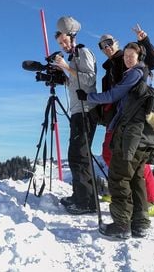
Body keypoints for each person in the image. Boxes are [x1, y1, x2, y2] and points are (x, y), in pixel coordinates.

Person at [77, 42, 154, 239]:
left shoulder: (134, 74)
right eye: (126, 56)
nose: (128, 59)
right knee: (136, 177)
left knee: (119, 176)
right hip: (144, 136)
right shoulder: (143, 75)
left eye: (131, 56)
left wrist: (89, 97)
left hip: (131, 133)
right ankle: (140, 223)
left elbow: (114, 95)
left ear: (138, 57)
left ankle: (122, 225)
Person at [97, 25, 154, 217]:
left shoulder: (127, 59)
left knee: (136, 160)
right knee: (109, 154)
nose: (106, 47)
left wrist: (145, 40)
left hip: (131, 118)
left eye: (109, 42)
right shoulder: (109, 68)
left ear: (116, 43)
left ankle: (153, 200)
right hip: (116, 118)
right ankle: (119, 190)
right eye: (102, 45)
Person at [52, 25, 99, 215]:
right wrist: (63, 75)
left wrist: (65, 67)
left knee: (80, 157)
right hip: (78, 111)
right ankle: (80, 196)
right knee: (76, 155)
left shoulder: (83, 52)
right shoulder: (73, 58)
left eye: (65, 41)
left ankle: (87, 202)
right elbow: (76, 82)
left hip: (87, 111)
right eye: (60, 43)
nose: (63, 45)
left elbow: (89, 79)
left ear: (73, 37)